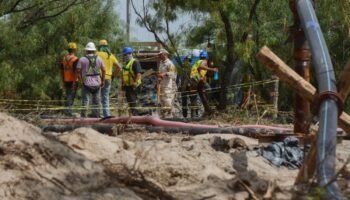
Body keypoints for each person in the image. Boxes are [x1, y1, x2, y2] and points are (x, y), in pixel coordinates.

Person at [77, 42, 105, 118]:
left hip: (86, 83)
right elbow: (104, 70)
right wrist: (103, 80)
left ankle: (83, 117)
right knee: (96, 102)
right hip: (97, 83)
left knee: (85, 101)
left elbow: (78, 71)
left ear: (86, 50)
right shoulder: (99, 58)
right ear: (94, 50)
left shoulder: (82, 59)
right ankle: (96, 117)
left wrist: (81, 80)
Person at [96, 39, 121, 118]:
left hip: (99, 78)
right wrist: (113, 75)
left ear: (99, 47)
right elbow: (119, 68)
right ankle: (106, 114)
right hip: (108, 78)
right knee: (105, 96)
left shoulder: (97, 54)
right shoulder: (111, 55)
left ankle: (98, 114)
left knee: (97, 96)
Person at [190, 51, 218, 116]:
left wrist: (201, 76)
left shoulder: (197, 61)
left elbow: (198, 69)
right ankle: (207, 107)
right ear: (206, 57)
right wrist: (212, 69)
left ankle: (206, 109)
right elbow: (201, 67)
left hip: (193, 78)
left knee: (201, 92)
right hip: (196, 77)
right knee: (209, 89)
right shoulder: (204, 61)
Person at [121, 47, 142, 116]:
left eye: (126, 55)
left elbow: (138, 74)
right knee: (130, 102)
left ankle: (136, 116)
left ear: (130, 54)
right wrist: (123, 83)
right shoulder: (125, 64)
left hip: (134, 86)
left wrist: (135, 82)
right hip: (128, 86)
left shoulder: (135, 62)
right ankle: (133, 115)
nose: (125, 56)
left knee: (133, 102)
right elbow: (124, 75)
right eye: (124, 55)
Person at [157, 49, 177, 118]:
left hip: (168, 85)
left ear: (165, 54)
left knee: (168, 100)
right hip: (162, 84)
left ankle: (171, 116)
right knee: (162, 100)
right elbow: (159, 74)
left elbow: (173, 74)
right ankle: (164, 116)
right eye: (159, 54)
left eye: (160, 54)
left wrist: (165, 74)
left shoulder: (170, 63)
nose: (159, 56)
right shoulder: (161, 63)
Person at [61, 42, 79, 116]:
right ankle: (68, 112)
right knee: (71, 96)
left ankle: (67, 111)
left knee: (68, 95)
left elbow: (61, 70)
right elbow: (76, 71)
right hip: (73, 80)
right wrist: (76, 80)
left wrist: (62, 80)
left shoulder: (64, 58)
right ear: (75, 50)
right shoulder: (75, 59)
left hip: (66, 79)